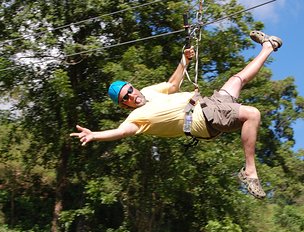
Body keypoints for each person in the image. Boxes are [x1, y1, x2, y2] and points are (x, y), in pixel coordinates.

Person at [70, 30, 282, 199]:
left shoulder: (148, 92)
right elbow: (120, 132)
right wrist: (94, 135)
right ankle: (250, 172)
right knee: (252, 114)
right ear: (124, 105)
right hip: (204, 119)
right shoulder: (135, 119)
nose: (133, 95)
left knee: (237, 80)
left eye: (130, 89)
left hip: (208, 104)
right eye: (126, 97)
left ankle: (267, 46)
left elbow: (172, 84)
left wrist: (184, 59)